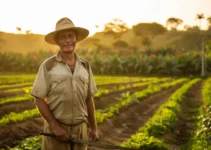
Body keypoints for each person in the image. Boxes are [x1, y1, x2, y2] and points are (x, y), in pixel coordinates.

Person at [30, 17, 99, 150]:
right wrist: (55, 127)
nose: (67, 40)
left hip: (80, 129)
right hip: (56, 132)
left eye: (70, 36)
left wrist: (94, 128)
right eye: (63, 37)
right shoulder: (48, 66)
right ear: (57, 41)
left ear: (76, 39)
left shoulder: (85, 66)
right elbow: (38, 99)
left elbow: (89, 98)